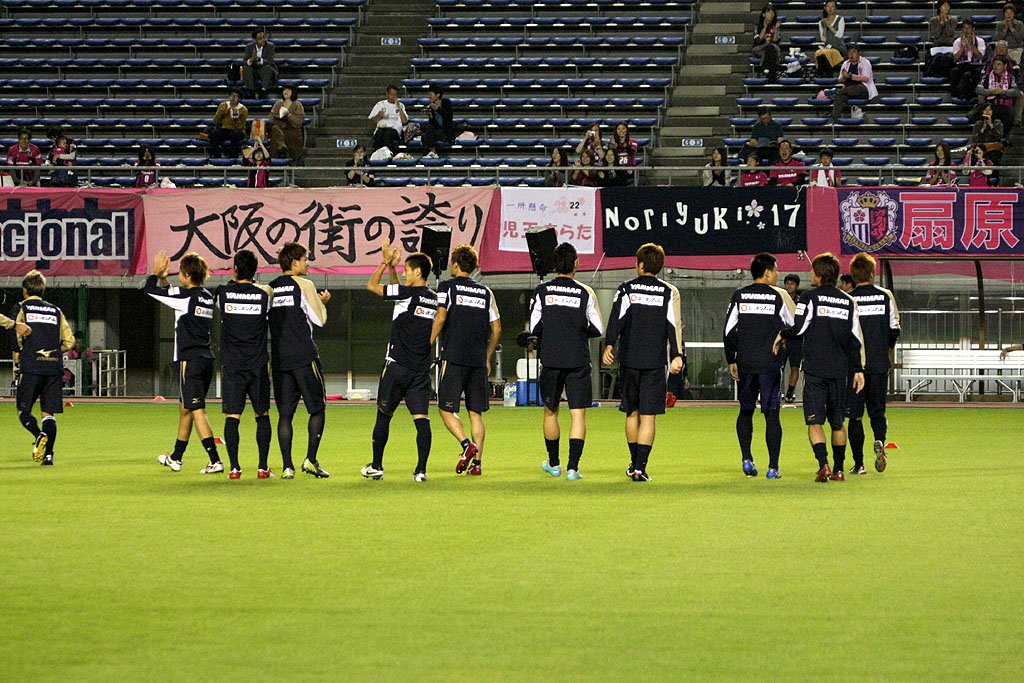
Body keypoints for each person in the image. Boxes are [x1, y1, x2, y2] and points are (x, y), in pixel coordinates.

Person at [602, 243, 684, 482]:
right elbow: (672, 326)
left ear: (639, 265)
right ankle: (640, 467)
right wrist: (676, 354)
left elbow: (616, 319)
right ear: (659, 266)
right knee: (649, 416)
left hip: (629, 361)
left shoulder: (626, 289)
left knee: (632, 413)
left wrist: (609, 344)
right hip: (655, 363)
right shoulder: (666, 292)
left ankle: (633, 462)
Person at [780, 252, 865, 482]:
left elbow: (799, 329)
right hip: (839, 371)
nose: (810, 274)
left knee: (815, 421)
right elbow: (855, 339)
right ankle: (839, 469)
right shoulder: (848, 301)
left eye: (812, 271)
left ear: (818, 274)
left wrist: (782, 334)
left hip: (815, 370)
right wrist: (858, 369)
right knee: (838, 423)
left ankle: (823, 464)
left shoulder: (809, 297)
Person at [529, 243, 604, 481]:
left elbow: (534, 326)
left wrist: (553, 330)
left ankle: (554, 464)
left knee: (550, 412)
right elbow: (597, 328)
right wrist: (577, 328)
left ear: (554, 264)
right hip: (578, 359)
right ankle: (573, 468)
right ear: (576, 264)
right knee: (578, 414)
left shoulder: (542, 291)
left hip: (551, 359)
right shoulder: (585, 292)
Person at [363, 241, 437, 482]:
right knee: (421, 419)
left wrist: (385, 263)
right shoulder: (433, 298)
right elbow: (399, 294)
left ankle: (376, 466)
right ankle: (421, 471)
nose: (404, 274)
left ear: (418, 272)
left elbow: (372, 286)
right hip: (420, 370)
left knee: (384, 415)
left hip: (396, 366)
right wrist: (394, 269)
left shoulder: (407, 294)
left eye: (407, 270)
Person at [147, 251, 224, 475]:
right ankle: (176, 457)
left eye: (181, 272)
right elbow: (173, 296)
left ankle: (215, 460)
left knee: (197, 409)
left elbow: (150, 291)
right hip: (206, 358)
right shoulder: (206, 296)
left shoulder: (185, 297)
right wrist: (164, 280)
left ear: (188, 274)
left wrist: (155, 274)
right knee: (186, 408)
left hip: (190, 360)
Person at [430, 244, 501, 477]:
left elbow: (440, 318)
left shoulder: (447, 287)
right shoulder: (485, 292)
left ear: (456, 265)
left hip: (454, 357)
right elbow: (497, 328)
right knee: (475, 413)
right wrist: (487, 356)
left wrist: (426, 343)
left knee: (445, 409)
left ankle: (466, 445)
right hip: (478, 360)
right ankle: (477, 464)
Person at [723, 252, 795, 479]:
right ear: (767, 273)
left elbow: (728, 330)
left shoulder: (740, 295)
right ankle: (773, 468)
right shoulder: (778, 296)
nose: (778, 274)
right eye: (776, 270)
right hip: (770, 364)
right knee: (771, 414)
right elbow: (794, 325)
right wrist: (783, 336)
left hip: (745, 362)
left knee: (746, 411)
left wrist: (731, 359)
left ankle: (747, 459)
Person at [268, 242, 331, 479]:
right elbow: (319, 320)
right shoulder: (305, 285)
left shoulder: (271, 288)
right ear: (294, 263)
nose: (308, 264)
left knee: (285, 415)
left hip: (280, 359)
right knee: (318, 408)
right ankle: (310, 460)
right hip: (304, 357)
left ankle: (287, 467)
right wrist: (322, 304)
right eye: (305, 259)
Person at [214, 249, 274, 479]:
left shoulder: (223, 293)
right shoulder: (263, 296)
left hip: (233, 365)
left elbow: (219, 299)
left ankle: (234, 468)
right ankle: (262, 467)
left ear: (235, 269)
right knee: (262, 414)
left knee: (233, 416)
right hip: (257, 364)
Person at [13, 271, 74, 466]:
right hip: (53, 367)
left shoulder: (22, 307)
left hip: (31, 366)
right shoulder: (56, 310)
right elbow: (69, 341)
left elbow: (16, 335)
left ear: (24, 290)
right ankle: (49, 456)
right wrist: (54, 350)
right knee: (48, 414)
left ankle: (38, 434)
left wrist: (21, 352)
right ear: (43, 290)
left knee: (23, 411)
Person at [847, 253, 900, 476]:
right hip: (878, 364)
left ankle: (859, 464)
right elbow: (894, 329)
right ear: (872, 273)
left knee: (855, 415)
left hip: (855, 368)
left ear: (853, 275)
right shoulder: (885, 296)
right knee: (878, 411)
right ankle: (879, 440)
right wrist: (884, 348)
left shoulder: (848, 299)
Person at [830, 45, 876, 121]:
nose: (851, 54)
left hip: (863, 89)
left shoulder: (865, 62)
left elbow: (866, 78)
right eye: (849, 52)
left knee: (855, 88)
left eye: (854, 52)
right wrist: (845, 77)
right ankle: (835, 120)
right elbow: (839, 80)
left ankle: (837, 92)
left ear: (859, 53)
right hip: (848, 90)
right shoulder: (845, 64)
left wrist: (851, 76)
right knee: (839, 97)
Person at [976, 57, 1019, 133]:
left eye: (999, 64)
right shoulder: (986, 77)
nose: (995, 66)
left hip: (1005, 106)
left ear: (1005, 66)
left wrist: (1003, 92)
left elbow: (1016, 91)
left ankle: (1004, 136)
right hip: (990, 106)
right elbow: (978, 89)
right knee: (986, 112)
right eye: (994, 64)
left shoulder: (1010, 77)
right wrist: (991, 91)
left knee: (1007, 113)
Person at [951, 19, 986, 101]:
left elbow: (980, 56)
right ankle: (956, 95)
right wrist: (963, 47)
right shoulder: (957, 42)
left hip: (976, 65)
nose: (966, 30)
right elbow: (955, 58)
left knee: (976, 73)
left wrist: (972, 45)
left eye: (969, 28)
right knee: (954, 71)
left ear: (973, 29)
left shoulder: (980, 41)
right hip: (962, 65)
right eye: (964, 28)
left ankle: (973, 94)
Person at [209, 88, 248, 159]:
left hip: (238, 130)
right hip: (225, 129)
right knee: (214, 134)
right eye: (232, 95)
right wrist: (220, 114)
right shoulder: (223, 105)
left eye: (236, 96)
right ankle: (216, 157)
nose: (233, 98)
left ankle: (233, 157)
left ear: (239, 99)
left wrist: (236, 120)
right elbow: (215, 122)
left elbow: (242, 126)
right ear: (229, 96)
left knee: (235, 134)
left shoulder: (243, 109)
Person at [369, 84, 408, 154]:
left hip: (394, 130)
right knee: (379, 134)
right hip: (381, 129)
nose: (393, 97)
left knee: (387, 135)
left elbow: (405, 121)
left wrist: (399, 108)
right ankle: (378, 155)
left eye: (395, 95)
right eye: (391, 94)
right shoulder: (380, 104)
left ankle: (388, 155)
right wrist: (378, 116)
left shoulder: (401, 105)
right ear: (387, 94)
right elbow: (371, 121)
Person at [781, 273, 803, 402]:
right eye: (787, 284)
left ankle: (790, 392)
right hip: (782, 338)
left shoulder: (800, 301)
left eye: (792, 284)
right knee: (779, 367)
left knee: (795, 367)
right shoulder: (780, 299)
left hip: (796, 339)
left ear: (796, 286)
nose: (789, 286)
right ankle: (776, 391)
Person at [269, 85, 304, 163]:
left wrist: (289, 115)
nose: (286, 92)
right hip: (280, 127)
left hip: (293, 129)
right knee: (275, 129)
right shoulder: (278, 104)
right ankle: (281, 147)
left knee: (292, 136)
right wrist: (280, 120)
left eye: (288, 90)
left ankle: (294, 158)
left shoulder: (297, 104)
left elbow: (299, 121)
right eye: (284, 90)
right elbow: (272, 117)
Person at [421, 83, 455, 158]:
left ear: (438, 95)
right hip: (436, 131)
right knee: (425, 135)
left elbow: (448, 118)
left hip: (446, 132)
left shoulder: (446, 103)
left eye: (431, 94)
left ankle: (431, 152)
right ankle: (429, 154)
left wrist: (438, 109)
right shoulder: (431, 106)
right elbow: (434, 125)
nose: (429, 97)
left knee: (427, 136)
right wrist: (430, 115)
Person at [243, 29, 278, 98]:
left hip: (267, 71)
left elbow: (270, 61)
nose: (263, 40)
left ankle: (263, 89)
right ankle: (251, 91)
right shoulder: (249, 47)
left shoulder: (270, 46)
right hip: (254, 71)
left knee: (267, 67)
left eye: (264, 37)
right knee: (246, 68)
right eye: (260, 38)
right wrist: (251, 59)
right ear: (254, 40)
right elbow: (245, 62)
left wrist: (259, 59)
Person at [815, 0, 847, 77]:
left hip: (839, 48)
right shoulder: (821, 22)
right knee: (818, 53)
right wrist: (825, 28)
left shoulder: (840, 19)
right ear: (825, 8)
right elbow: (823, 39)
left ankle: (825, 76)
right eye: (828, 6)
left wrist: (829, 26)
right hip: (828, 48)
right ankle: (825, 75)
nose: (830, 8)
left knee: (825, 53)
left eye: (832, 6)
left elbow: (840, 35)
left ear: (835, 8)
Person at [926, 0, 957, 77]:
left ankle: (946, 76)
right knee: (938, 57)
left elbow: (950, 33)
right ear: (940, 7)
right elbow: (936, 35)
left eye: (948, 6)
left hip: (949, 47)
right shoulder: (933, 20)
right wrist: (940, 23)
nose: (947, 8)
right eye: (945, 6)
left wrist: (946, 21)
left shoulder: (954, 20)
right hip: (937, 47)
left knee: (948, 57)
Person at [752, 4, 782, 80]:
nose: (771, 15)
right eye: (768, 12)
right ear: (764, 14)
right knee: (770, 49)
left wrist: (776, 29)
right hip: (759, 48)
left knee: (770, 48)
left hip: (771, 48)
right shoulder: (758, 26)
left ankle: (766, 70)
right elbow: (758, 40)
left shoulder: (774, 26)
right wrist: (765, 27)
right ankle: (772, 73)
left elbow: (775, 41)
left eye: (772, 13)